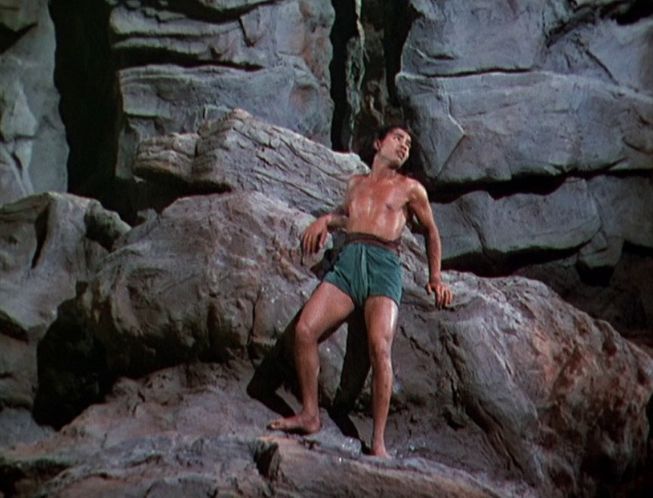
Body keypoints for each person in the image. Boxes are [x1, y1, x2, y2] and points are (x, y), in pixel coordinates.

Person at [268, 125, 453, 457]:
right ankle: (310, 414)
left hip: (384, 264)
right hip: (350, 260)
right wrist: (325, 220)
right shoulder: (355, 184)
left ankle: (378, 442)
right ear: (379, 143)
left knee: (379, 347)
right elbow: (347, 217)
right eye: (398, 138)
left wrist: (436, 277)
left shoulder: (410, 189)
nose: (404, 146)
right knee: (305, 330)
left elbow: (431, 231)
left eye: (409, 143)